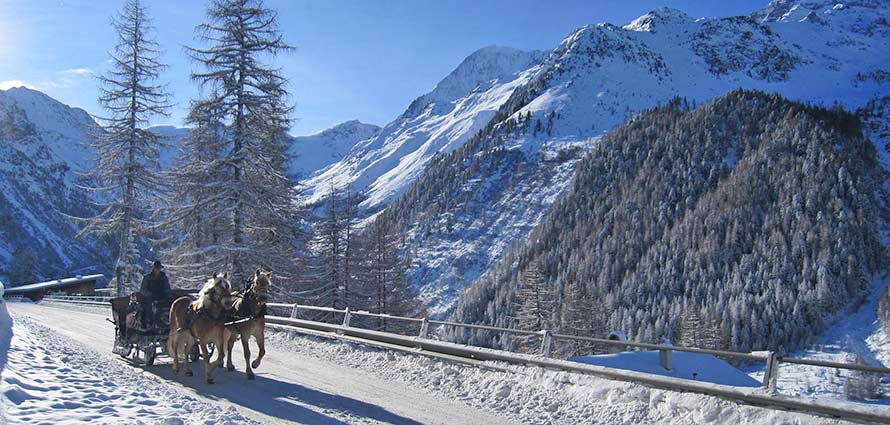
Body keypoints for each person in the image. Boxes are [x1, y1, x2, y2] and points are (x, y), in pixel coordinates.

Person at [140, 260, 171, 328]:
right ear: (153, 268)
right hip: (150, 298)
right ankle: (149, 323)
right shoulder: (147, 278)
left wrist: (167, 295)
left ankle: (167, 322)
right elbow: (143, 290)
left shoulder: (164, 278)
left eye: (159, 268)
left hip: (162, 297)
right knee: (149, 307)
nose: (158, 270)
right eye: (156, 268)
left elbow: (167, 288)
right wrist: (150, 294)